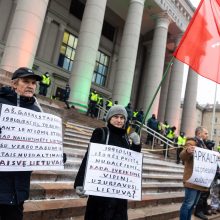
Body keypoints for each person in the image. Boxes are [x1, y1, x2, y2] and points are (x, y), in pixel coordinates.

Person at [74, 105, 141, 220]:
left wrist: (136, 144)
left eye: (122, 118)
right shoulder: (101, 132)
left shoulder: (125, 137)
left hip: (118, 194)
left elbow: (131, 161)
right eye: (116, 117)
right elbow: (89, 157)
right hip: (100, 193)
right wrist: (80, 182)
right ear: (109, 118)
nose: (119, 120)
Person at [0, 67, 42, 220]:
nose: (30, 85)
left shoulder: (38, 111)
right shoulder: (1, 103)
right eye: (25, 81)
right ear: (15, 84)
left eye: (33, 83)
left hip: (19, 188)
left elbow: (40, 142)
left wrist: (54, 153)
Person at [179, 126, 209, 220]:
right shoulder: (191, 143)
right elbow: (182, 156)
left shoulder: (203, 145)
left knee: (192, 205)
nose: (207, 135)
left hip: (199, 180)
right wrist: (187, 151)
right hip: (191, 180)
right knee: (188, 204)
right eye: (205, 133)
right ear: (199, 133)